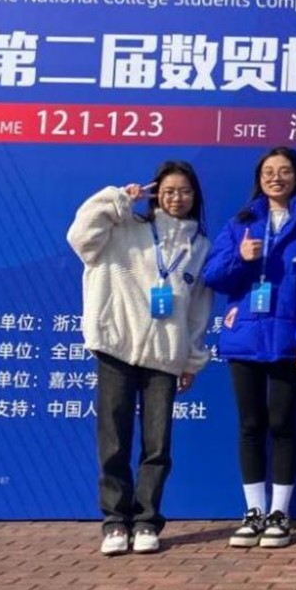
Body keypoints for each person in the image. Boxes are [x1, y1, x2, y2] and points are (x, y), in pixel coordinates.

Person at [68, 160, 213, 557]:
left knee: (157, 444)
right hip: (117, 346)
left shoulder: (200, 246)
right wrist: (115, 199)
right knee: (113, 440)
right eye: (169, 190)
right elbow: (79, 237)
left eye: (185, 191)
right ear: (155, 193)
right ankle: (115, 522)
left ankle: (147, 520)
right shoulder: (124, 227)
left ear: (195, 196)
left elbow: (198, 310)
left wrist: (191, 360)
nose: (177, 198)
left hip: (165, 355)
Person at [202, 147, 296, 549]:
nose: (276, 177)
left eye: (284, 171)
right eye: (268, 171)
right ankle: (253, 512)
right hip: (244, 339)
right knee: (250, 425)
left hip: (288, 342)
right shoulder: (239, 224)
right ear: (259, 179)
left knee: (282, 423)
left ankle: (280, 513)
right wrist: (241, 258)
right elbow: (213, 277)